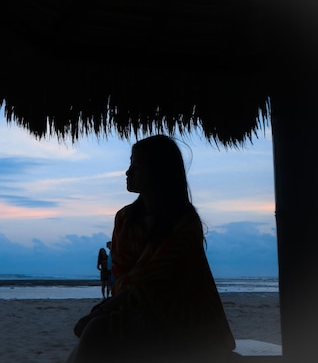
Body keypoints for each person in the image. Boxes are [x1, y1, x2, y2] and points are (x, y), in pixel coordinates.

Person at [68, 135, 236, 363]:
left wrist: (101, 310)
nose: (128, 172)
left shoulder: (183, 223)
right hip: (136, 308)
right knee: (98, 332)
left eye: (136, 166)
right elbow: (125, 278)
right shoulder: (125, 219)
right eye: (130, 165)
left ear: (158, 171)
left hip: (183, 318)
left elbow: (151, 280)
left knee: (98, 331)